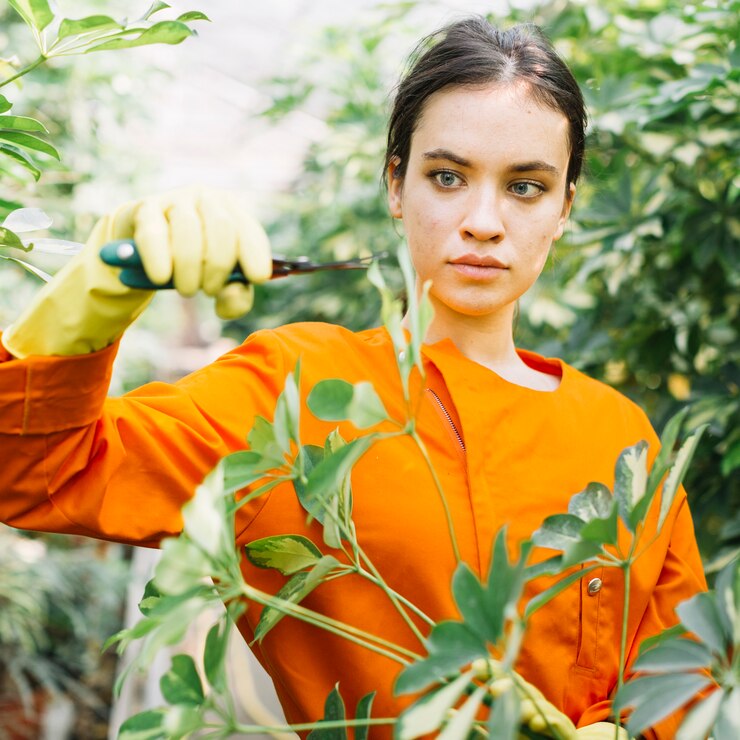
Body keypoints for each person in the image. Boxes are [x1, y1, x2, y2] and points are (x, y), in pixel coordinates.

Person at [0, 16, 705, 740]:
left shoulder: (622, 438)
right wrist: (90, 299)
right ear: (396, 186)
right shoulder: (291, 386)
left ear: (564, 209)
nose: (484, 221)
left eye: (525, 187)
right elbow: (32, 471)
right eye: (447, 176)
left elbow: (687, 682)